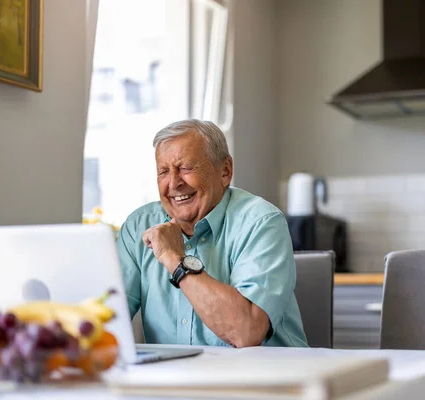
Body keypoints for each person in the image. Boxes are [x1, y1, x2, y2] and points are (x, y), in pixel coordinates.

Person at [117, 119, 308, 348]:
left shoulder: (261, 222)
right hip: (173, 380)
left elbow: (245, 333)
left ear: (225, 171)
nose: (174, 183)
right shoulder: (138, 226)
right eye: (164, 172)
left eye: (186, 168)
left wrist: (174, 259)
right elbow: (105, 318)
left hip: (263, 378)